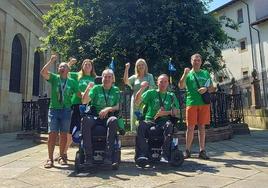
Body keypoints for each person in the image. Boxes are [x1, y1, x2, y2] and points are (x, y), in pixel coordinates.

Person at [40, 54, 78, 168]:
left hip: (66, 110)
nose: (61, 68)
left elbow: (79, 95)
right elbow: (43, 72)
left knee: (64, 135)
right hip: (54, 110)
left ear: (68, 70)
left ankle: (62, 156)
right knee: (52, 134)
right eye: (60, 67)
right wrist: (51, 61)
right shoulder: (54, 78)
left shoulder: (72, 82)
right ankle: (50, 159)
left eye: (64, 67)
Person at [134, 74, 180, 165]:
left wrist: (166, 113)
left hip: (164, 121)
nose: (163, 84)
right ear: (157, 83)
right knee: (141, 125)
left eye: (165, 82)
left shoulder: (171, 95)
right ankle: (143, 154)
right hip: (150, 119)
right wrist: (142, 88)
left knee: (169, 126)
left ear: (168, 83)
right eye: (161, 82)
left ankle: (164, 154)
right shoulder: (151, 93)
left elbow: (177, 111)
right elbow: (137, 102)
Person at [81, 69, 120, 165]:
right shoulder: (96, 88)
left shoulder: (116, 90)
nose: (107, 79)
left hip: (108, 117)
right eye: (105, 77)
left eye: (109, 77)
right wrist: (88, 88)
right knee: (85, 120)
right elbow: (84, 101)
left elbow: (118, 106)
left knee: (113, 120)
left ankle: (108, 155)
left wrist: (108, 109)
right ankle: (88, 156)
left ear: (112, 79)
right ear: (102, 78)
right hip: (95, 116)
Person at [178, 53, 213, 160]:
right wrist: (184, 74)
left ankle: (202, 150)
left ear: (201, 62)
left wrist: (206, 89)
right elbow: (181, 86)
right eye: (194, 60)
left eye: (198, 60)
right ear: (191, 61)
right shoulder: (188, 74)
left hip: (203, 104)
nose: (196, 62)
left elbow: (212, 88)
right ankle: (187, 150)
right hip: (191, 103)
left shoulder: (206, 73)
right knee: (190, 127)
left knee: (202, 127)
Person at [62, 58, 96, 160]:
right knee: (71, 130)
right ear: (82, 66)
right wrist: (69, 63)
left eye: (89, 64)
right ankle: (64, 153)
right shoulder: (76, 75)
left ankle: (89, 152)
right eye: (85, 64)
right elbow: (64, 72)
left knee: (89, 129)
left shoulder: (94, 78)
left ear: (92, 67)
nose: (87, 66)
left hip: (89, 107)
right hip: (77, 105)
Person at [123, 58, 156, 132]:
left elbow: (152, 88)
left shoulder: (149, 76)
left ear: (145, 66)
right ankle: (134, 134)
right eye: (139, 65)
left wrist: (145, 86)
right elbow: (126, 81)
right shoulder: (134, 77)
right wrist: (127, 69)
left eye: (142, 65)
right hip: (135, 101)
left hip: (146, 100)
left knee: (145, 117)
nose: (141, 66)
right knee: (135, 117)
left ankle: (146, 134)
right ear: (136, 67)